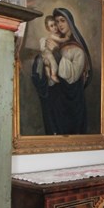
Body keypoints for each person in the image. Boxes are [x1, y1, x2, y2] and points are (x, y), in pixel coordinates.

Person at [31, 7, 92, 135]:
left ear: (70, 22)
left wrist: (56, 53)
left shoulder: (77, 49)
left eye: (62, 20)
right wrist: (40, 60)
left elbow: (72, 77)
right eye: (57, 21)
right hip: (54, 101)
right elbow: (43, 64)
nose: (59, 25)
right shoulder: (54, 41)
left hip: (72, 105)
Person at [39, 15, 61, 84]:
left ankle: (49, 78)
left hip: (50, 54)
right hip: (48, 53)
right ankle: (53, 75)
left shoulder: (59, 35)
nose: (54, 27)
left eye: (55, 24)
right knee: (53, 64)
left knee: (48, 65)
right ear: (48, 29)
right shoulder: (53, 36)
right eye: (51, 26)